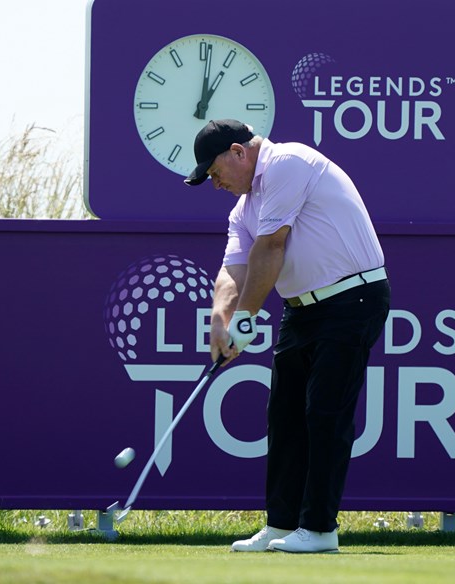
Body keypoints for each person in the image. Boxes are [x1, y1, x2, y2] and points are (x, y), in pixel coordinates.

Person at [185, 119, 390, 553]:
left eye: (215, 172)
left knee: (324, 414)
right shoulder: (243, 209)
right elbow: (233, 270)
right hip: (301, 310)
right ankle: (281, 524)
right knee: (284, 415)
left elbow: (272, 247)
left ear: (238, 152)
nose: (215, 183)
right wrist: (220, 320)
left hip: (353, 299)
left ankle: (318, 529)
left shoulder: (288, 163)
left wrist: (246, 318)